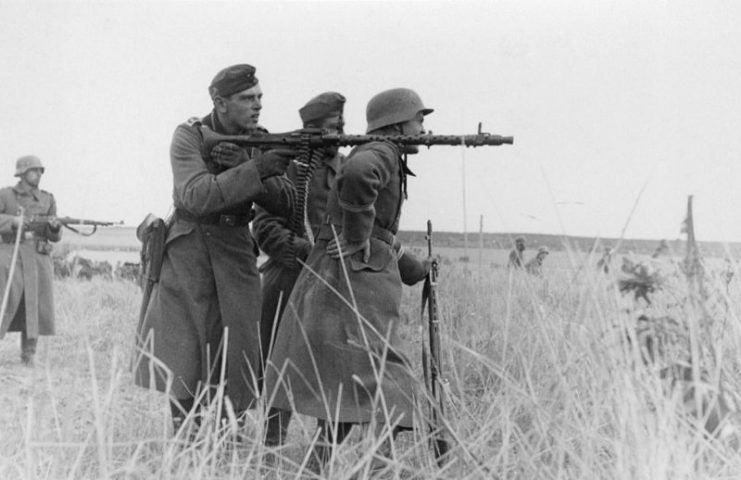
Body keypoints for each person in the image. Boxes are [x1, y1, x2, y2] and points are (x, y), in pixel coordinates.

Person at [264, 88, 433, 471]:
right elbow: (359, 178)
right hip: (353, 280)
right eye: (418, 119)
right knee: (394, 386)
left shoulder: (379, 150)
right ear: (397, 122)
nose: (424, 128)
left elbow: (379, 229)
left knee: (347, 388)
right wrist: (358, 239)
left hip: (346, 276)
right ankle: (376, 470)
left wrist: (412, 266)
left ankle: (316, 469)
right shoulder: (383, 151)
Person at [133, 64, 296, 433]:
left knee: (238, 350)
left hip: (237, 250)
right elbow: (197, 194)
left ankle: (228, 440)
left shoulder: (260, 139)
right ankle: (186, 442)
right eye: (246, 99)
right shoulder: (189, 136)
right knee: (187, 352)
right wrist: (254, 171)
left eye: (259, 98)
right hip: (188, 249)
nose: (256, 106)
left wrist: (250, 164)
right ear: (219, 103)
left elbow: (287, 203)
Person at [0, 155, 61, 366]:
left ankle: (29, 353)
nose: (38, 175)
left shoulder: (47, 199)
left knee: (34, 305)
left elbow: (55, 235)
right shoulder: (6, 195)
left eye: (40, 171)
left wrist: (54, 227)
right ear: (23, 173)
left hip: (37, 258)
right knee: (3, 301)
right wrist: (13, 221)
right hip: (11, 255)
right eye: (34, 171)